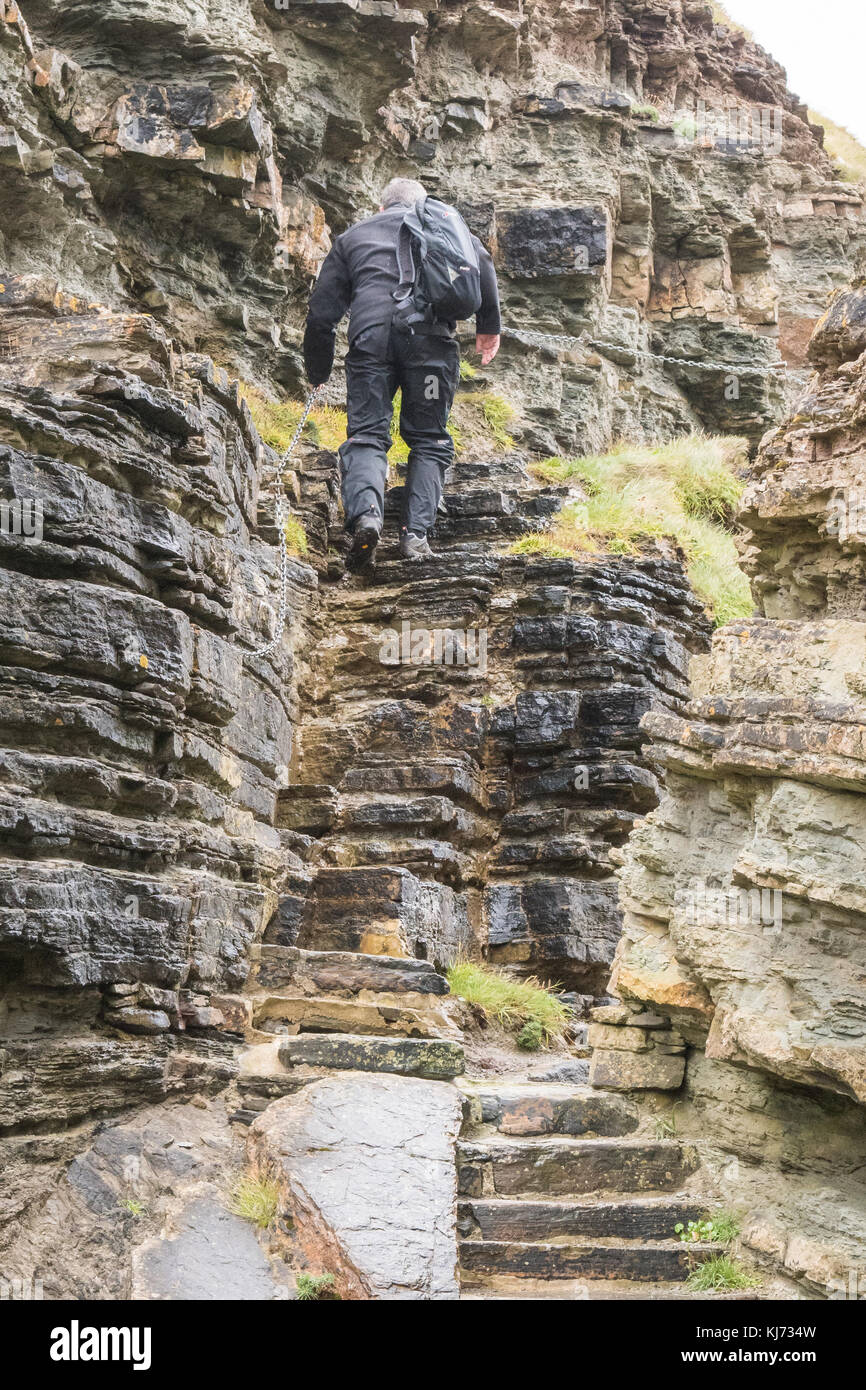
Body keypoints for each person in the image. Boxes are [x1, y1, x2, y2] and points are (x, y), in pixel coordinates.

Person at [303, 177, 501, 565]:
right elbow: (482, 263)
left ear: (382, 207)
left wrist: (318, 371)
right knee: (429, 439)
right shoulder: (447, 229)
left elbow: (321, 315)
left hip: (370, 344)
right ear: (425, 206)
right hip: (429, 345)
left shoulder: (353, 238)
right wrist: (488, 328)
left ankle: (368, 517)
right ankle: (415, 538)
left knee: (367, 435)